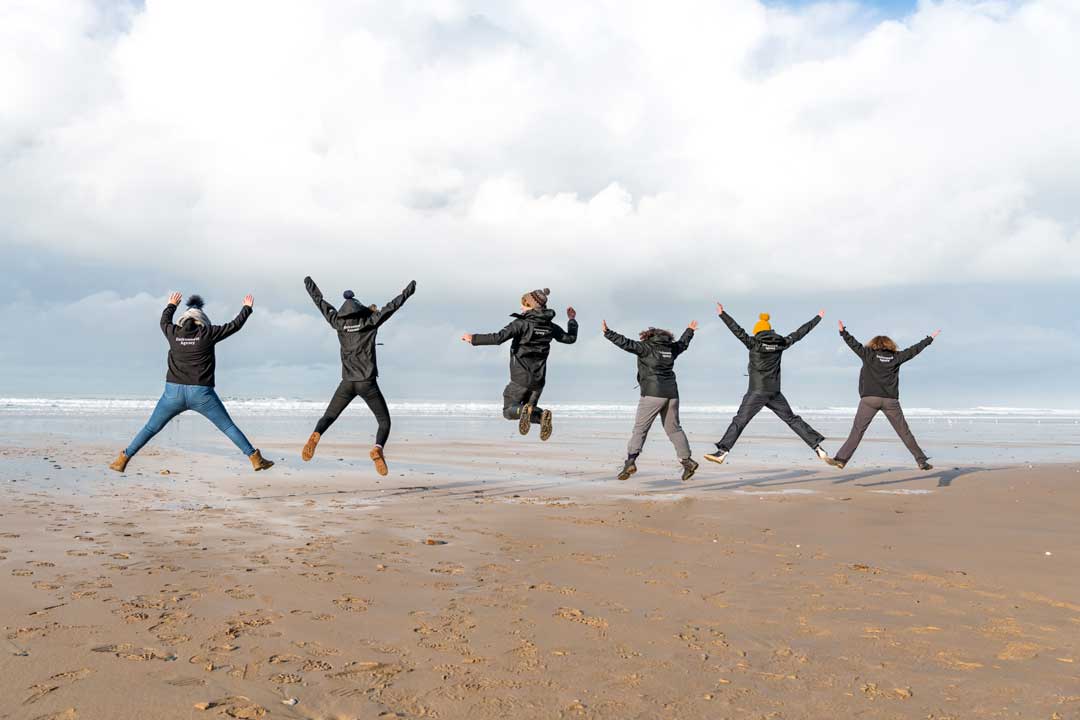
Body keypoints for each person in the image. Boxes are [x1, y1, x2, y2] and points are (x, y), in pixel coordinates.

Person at [109, 293, 274, 473]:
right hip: (201, 395)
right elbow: (235, 325)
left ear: (183, 319)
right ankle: (255, 458)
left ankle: (123, 459)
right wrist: (247, 308)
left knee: (150, 428)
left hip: (172, 394)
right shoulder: (208, 333)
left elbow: (164, 321)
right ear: (203, 320)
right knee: (227, 427)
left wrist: (171, 304)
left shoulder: (173, 333)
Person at [301, 277, 417, 476]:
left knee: (329, 416)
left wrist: (309, 285)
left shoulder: (338, 323)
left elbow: (320, 303)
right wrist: (408, 291)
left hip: (347, 382)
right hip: (367, 383)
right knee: (384, 422)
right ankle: (377, 448)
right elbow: (392, 307)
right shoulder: (370, 322)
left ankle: (316, 434)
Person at [704, 304, 832, 466]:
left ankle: (722, 452)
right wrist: (817, 318)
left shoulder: (754, 343)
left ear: (757, 331)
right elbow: (799, 333)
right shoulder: (781, 343)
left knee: (740, 420)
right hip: (774, 392)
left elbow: (737, 330)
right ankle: (818, 447)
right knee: (792, 419)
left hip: (757, 392)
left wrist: (723, 314)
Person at [462, 288, 577, 441]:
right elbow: (570, 338)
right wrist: (572, 320)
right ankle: (542, 416)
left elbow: (498, 338)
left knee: (509, 410)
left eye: (523, 304)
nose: (521, 307)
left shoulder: (521, 324)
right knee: (529, 412)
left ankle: (531, 412)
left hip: (520, 379)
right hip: (538, 381)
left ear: (530, 306)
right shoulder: (550, 326)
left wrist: (473, 338)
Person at [826, 322, 940, 470]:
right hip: (890, 401)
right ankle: (921, 460)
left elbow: (853, 344)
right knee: (904, 433)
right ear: (890, 345)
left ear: (873, 344)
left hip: (869, 400)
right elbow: (914, 350)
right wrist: (929, 339)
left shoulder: (868, 354)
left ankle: (841, 459)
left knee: (857, 431)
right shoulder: (896, 357)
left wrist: (843, 332)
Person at [603, 319, 700, 481]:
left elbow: (625, 343)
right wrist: (690, 331)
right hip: (672, 394)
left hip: (652, 394)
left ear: (648, 336)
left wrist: (608, 333)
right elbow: (683, 344)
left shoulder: (646, 347)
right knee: (674, 429)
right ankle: (687, 461)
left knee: (640, 429)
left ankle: (630, 462)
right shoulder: (671, 348)